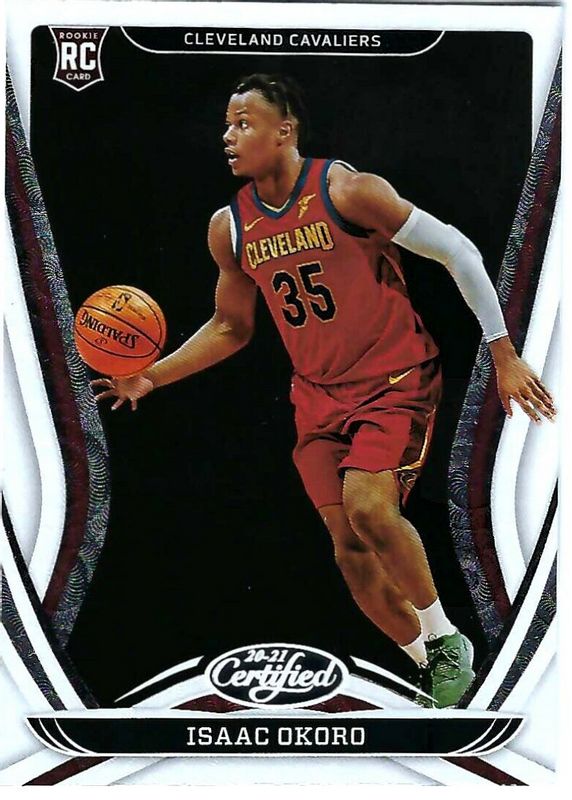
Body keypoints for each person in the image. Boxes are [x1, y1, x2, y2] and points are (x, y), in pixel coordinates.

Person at [93, 74, 555, 708]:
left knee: (369, 508)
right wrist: (152, 375)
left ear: (285, 131)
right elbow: (230, 326)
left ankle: (447, 639)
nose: (228, 136)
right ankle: (429, 669)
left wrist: (503, 353)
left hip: (394, 379)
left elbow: (457, 250)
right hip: (317, 396)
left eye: (244, 123)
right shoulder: (229, 228)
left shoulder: (347, 191)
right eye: (226, 125)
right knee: (351, 554)